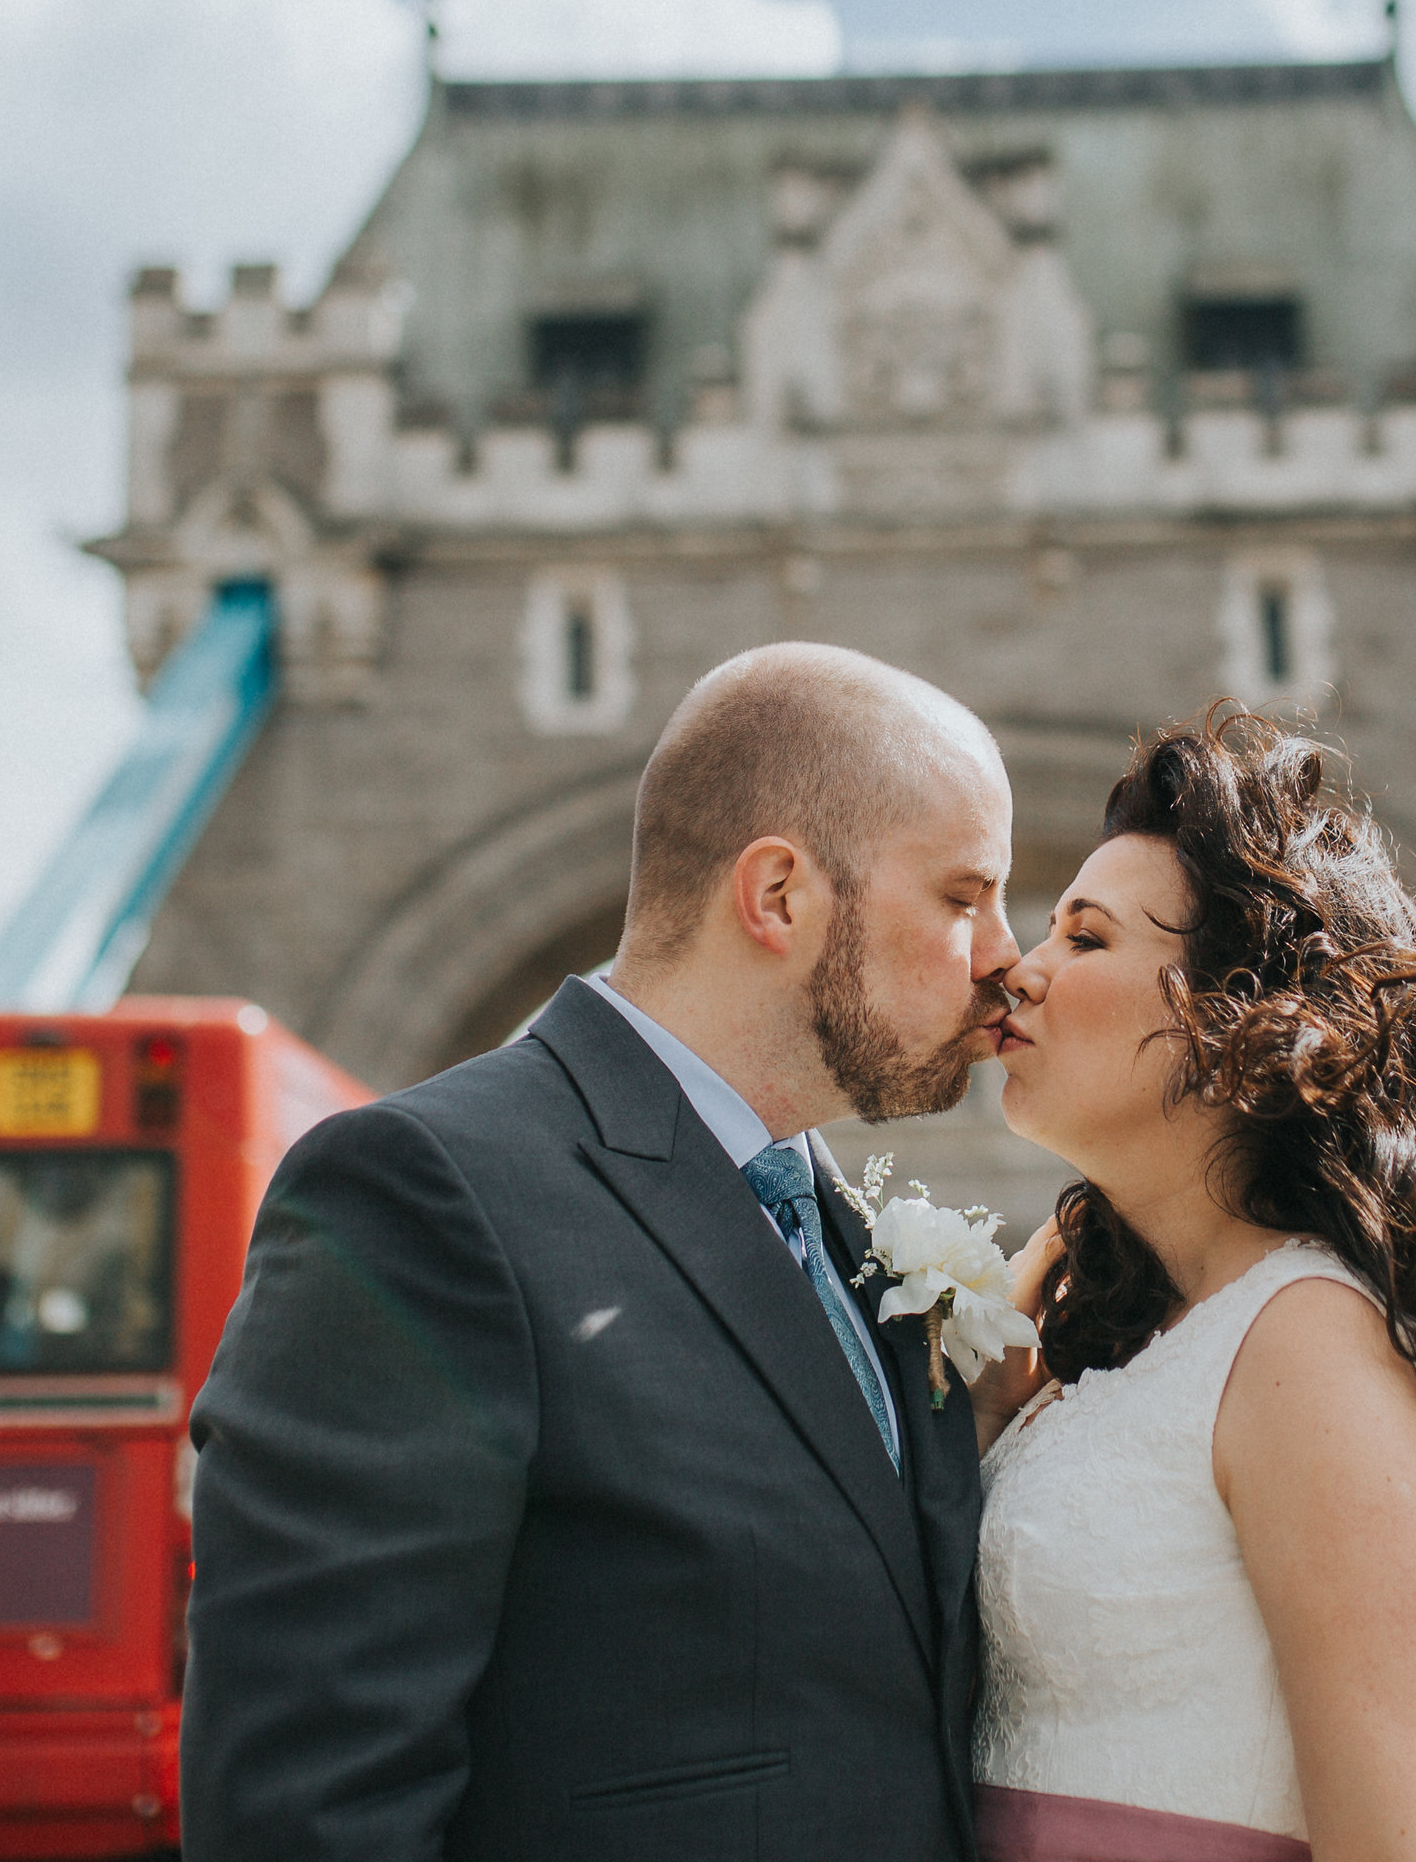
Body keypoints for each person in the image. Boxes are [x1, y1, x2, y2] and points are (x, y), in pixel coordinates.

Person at [183, 644, 1021, 1861]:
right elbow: (311, 1810)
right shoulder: (426, 1195)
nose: (1008, 954)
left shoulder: (844, 1231)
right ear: (780, 895)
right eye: (961, 897)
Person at [967, 710, 1416, 1862]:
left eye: (1087, 938)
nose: (1023, 967)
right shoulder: (1124, 1322)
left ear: (1233, 1019)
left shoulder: (1314, 1342)